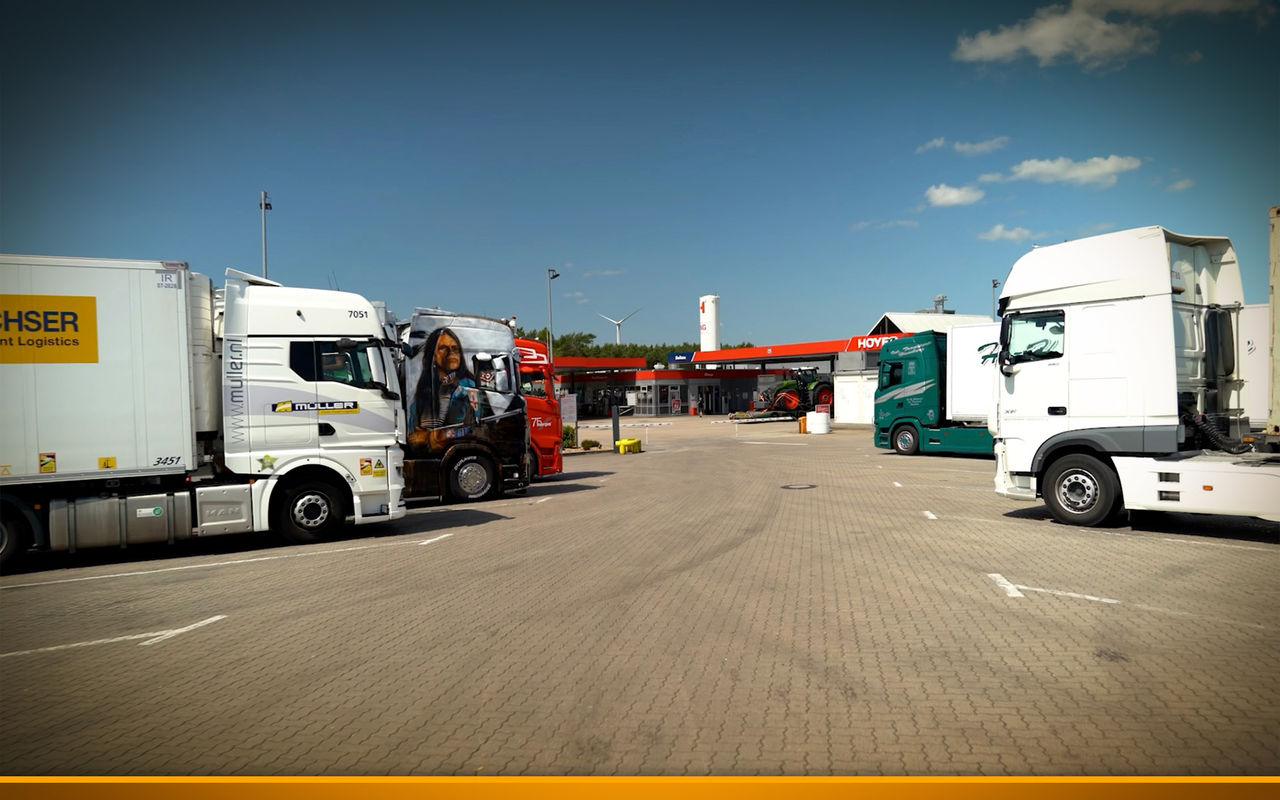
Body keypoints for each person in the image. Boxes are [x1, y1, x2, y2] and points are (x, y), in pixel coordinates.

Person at [408, 327, 492, 450]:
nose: (451, 352)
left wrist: (430, 437)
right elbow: (412, 437)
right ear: (433, 356)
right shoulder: (423, 394)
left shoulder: (467, 388)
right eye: (443, 348)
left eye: (454, 348)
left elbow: (474, 428)